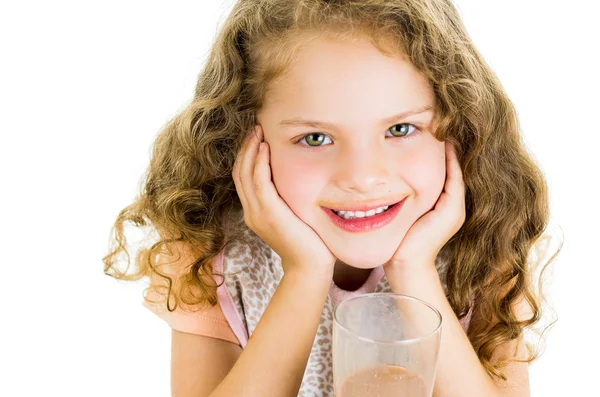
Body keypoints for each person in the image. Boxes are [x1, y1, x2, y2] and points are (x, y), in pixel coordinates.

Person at [103, 0, 560, 395]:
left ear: (461, 126)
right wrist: (305, 273)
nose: (362, 177)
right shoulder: (208, 256)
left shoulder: (486, 241)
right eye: (316, 138)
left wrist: (414, 272)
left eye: (400, 129)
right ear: (243, 139)